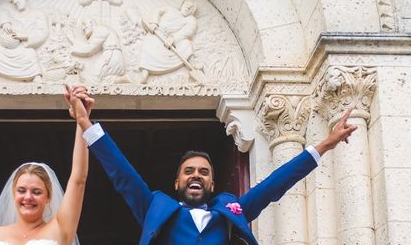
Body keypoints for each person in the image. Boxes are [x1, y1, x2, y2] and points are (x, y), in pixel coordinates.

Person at [65, 86, 357, 245]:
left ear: (213, 185)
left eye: (203, 172)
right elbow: (122, 174)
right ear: (177, 183)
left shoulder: (229, 212)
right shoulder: (155, 206)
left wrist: (326, 144)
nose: (196, 175)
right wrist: (85, 124)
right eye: (189, 171)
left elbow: (275, 184)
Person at [0, 86, 92, 245]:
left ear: (48, 197)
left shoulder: (59, 229)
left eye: (37, 191)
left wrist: (82, 121)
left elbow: (78, 179)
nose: (28, 197)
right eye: (21, 190)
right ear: (13, 193)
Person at [0, 0, 49, 82]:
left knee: (30, 54)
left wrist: (25, 36)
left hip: (24, 46)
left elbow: (43, 32)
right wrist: (5, 23)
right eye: (14, 1)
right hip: (8, 45)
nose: (16, 3)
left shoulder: (37, 14)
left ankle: (36, 77)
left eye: (18, 0)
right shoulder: (10, 10)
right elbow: (2, 9)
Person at [137, 0, 198, 83]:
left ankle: (192, 65)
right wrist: (154, 22)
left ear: (192, 12)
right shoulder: (170, 9)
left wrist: (173, 38)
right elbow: (157, 11)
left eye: (191, 7)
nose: (188, 7)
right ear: (182, 4)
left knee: (186, 44)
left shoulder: (191, 20)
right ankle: (145, 73)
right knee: (149, 40)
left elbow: (187, 32)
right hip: (157, 34)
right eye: (186, 5)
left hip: (172, 43)